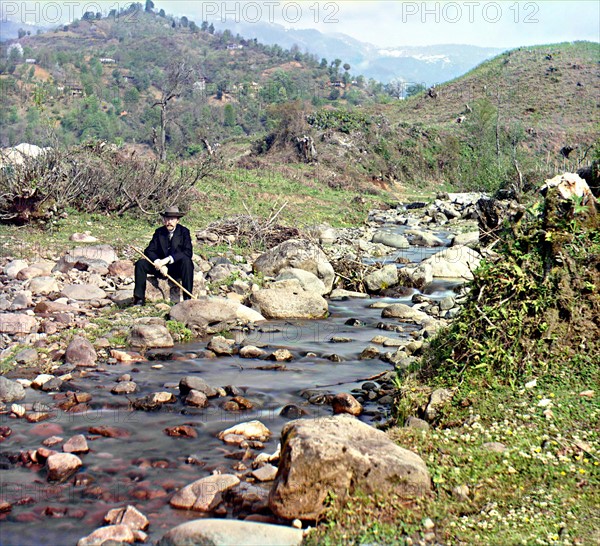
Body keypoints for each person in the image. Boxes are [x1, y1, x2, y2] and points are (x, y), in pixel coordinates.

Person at [133, 206, 194, 305]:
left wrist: (167, 260)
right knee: (141, 264)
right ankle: (139, 299)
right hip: (159, 267)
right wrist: (158, 262)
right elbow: (149, 251)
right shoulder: (159, 232)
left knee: (187, 262)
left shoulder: (184, 232)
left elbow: (188, 252)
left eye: (172, 219)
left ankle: (187, 300)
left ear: (177, 220)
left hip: (176, 267)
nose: (169, 222)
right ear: (164, 220)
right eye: (167, 219)